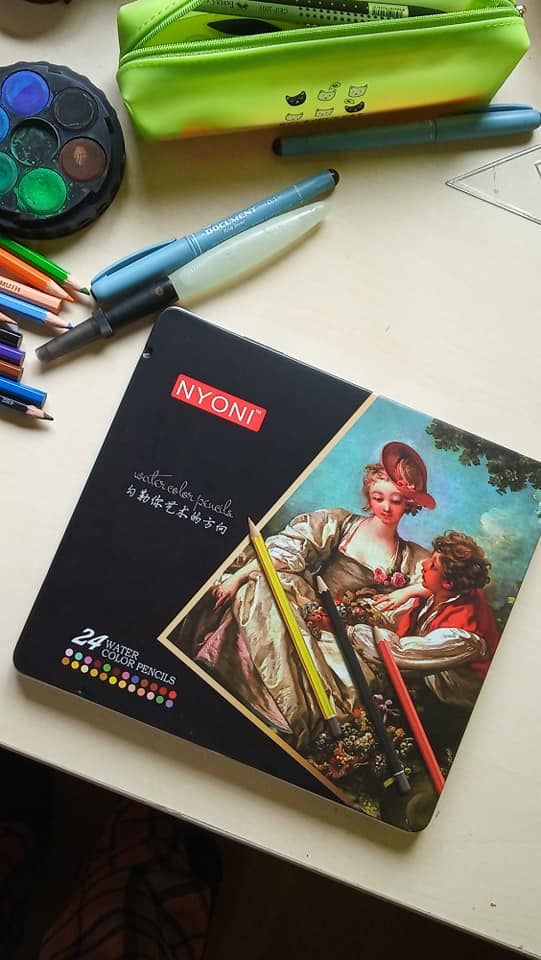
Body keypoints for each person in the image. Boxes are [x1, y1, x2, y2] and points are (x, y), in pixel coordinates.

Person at [171, 442, 435, 749]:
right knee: (267, 587)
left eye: (396, 501)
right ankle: (234, 679)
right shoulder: (340, 523)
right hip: (307, 601)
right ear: (368, 497)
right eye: (379, 498)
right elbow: (288, 552)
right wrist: (238, 577)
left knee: (347, 681)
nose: (386, 508)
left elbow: (432, 588)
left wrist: (408, 590)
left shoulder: (412, 558)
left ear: (409, 504)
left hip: (345, 630)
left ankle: (287, 717)